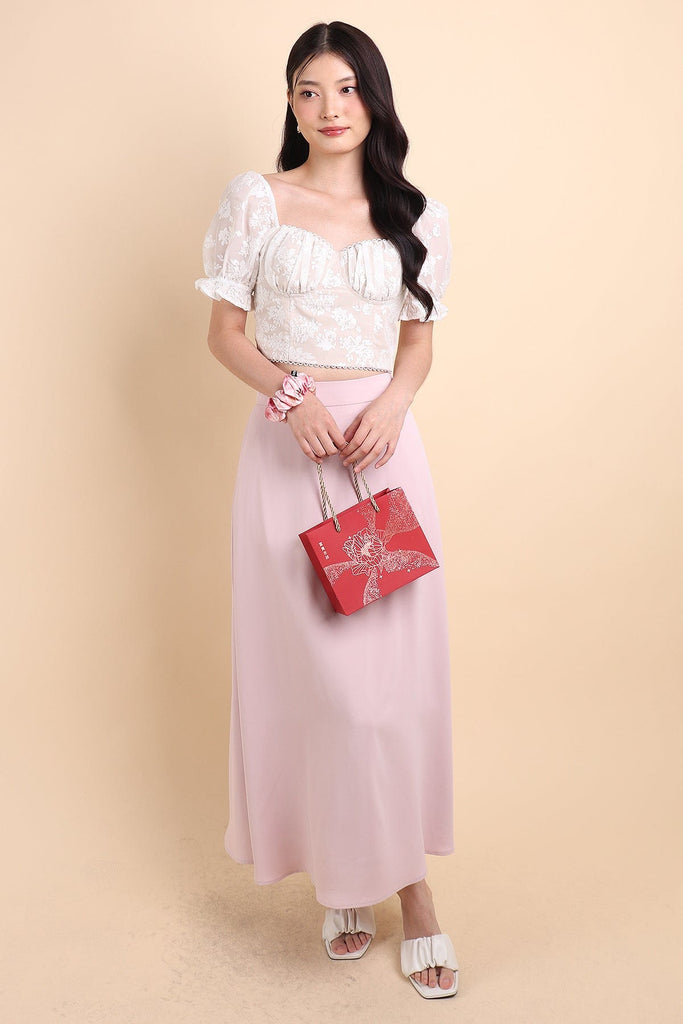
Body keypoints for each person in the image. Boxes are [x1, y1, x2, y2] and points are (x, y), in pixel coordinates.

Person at [194, 21, 458, 999]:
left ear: (372, 99)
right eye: (309, 90)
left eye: (346, 88)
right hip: (288, 453)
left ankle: (413, 896)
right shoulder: (257, 200)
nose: (329, 107)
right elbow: (224, 332)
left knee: (382, 689)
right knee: (315, 682)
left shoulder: (413, 213)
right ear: (291, 103)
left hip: (381, 457)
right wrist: (290, 396)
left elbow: (416, 341)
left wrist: (390, 405)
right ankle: (342, 880)